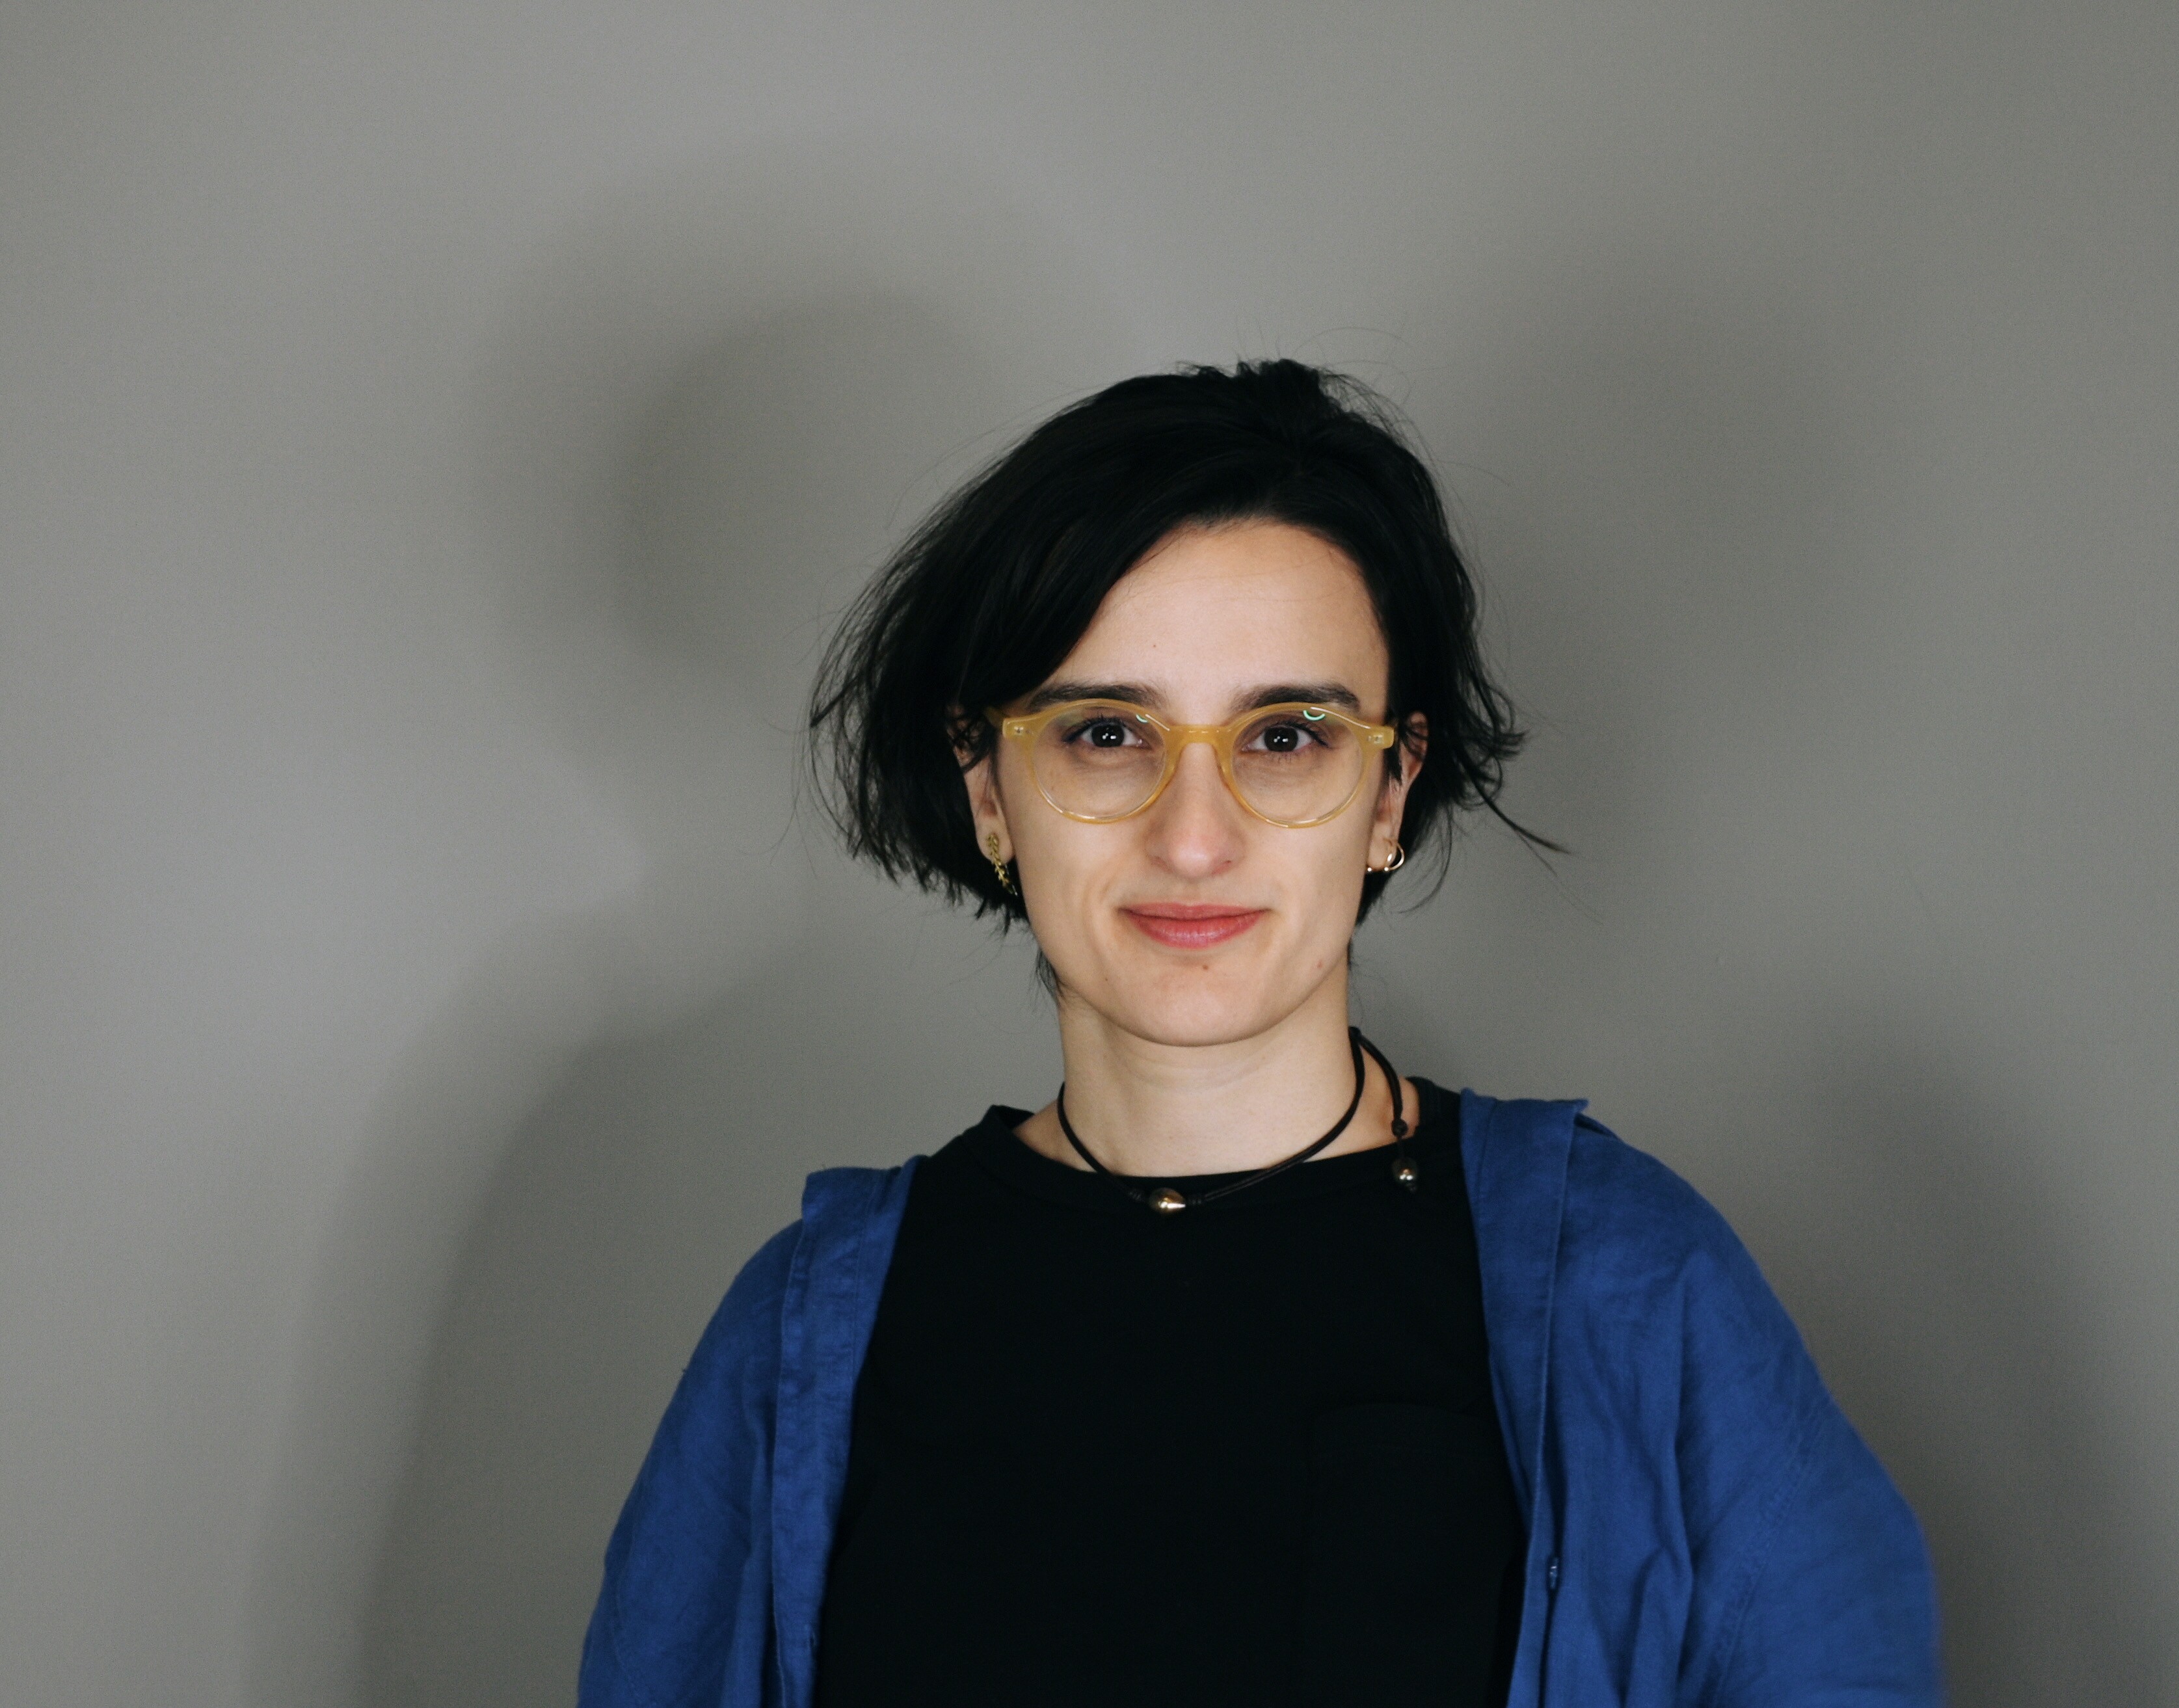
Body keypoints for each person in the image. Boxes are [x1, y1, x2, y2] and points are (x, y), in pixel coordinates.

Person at [578, 360, 1940, 1707]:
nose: (1194, 835)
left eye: (1285, 737)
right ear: (990, 788)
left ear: (1392, 790)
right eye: (1106, 731)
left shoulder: (1636, 1287)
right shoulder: (806, 1341)